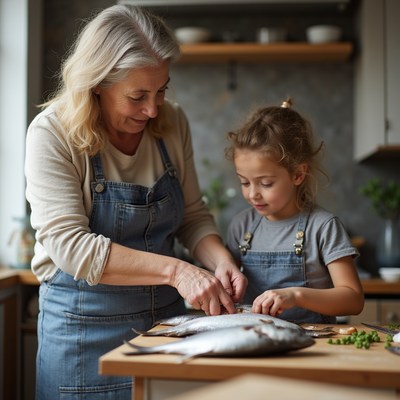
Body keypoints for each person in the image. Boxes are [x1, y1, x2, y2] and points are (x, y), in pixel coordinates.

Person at [25, 5, 247, 400]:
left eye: (161, 90)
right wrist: (179, 273)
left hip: (167, 329)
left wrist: (219, 260)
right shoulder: (53, 132)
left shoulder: (172, 123)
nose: (152, 108)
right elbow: (70, 247)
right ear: (96, 84)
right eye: (137, 96)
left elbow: (193, 217)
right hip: (82, 332)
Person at [225, 99, 364, 324]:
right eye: (244, 182)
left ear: (298, 175)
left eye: (266, 183)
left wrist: (295, 295)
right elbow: (227, 278)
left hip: (312, 346)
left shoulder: (323, 226)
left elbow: (353, 299)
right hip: (254, 339)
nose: (253, 194)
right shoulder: (241, 225)